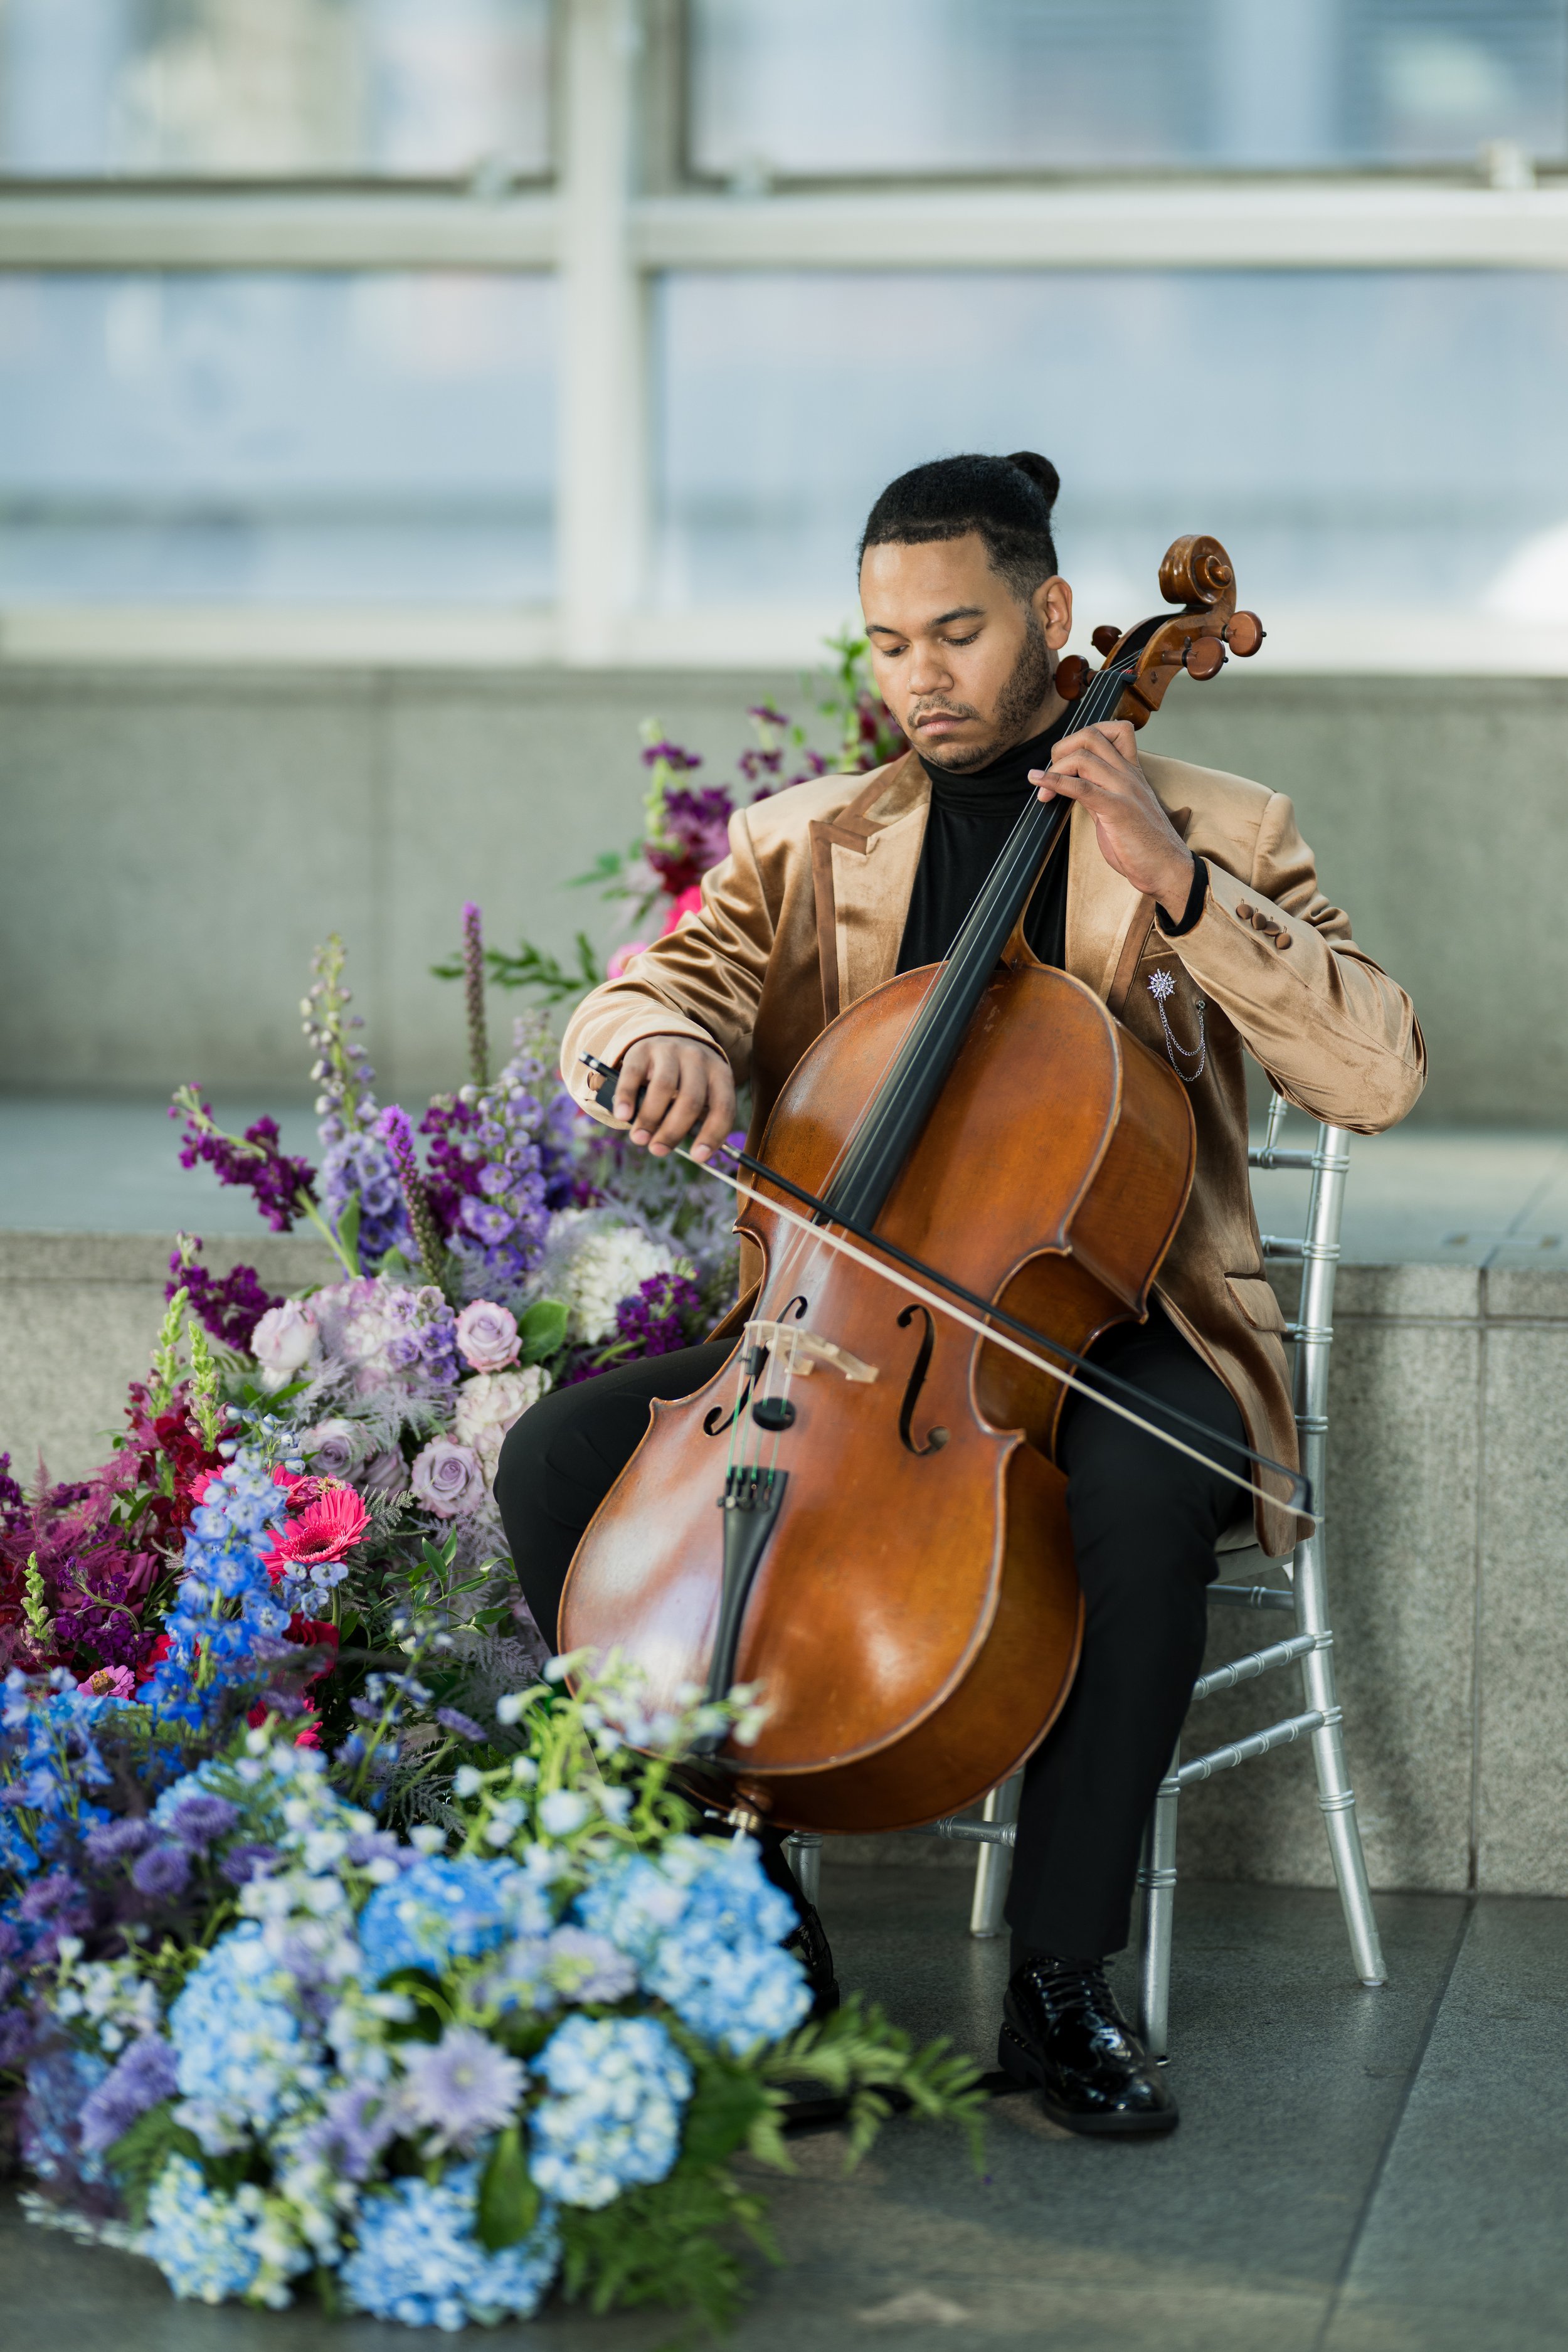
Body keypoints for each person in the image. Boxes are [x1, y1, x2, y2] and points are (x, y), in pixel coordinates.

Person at [495, 452, 1424, 2137]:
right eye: (885, 642)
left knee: (1142, 1494)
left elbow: (1376, 1069)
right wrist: (657, 1045)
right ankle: (747, 1902)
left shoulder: (1218, 823)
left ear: (1050, 618)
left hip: (1122, 1318)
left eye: (956, 632)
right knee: (559, 1460)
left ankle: (1060, 1982)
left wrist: (1177, 885)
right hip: (842, 1330)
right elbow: (636, 996)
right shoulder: (801, 844)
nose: (916, 676)